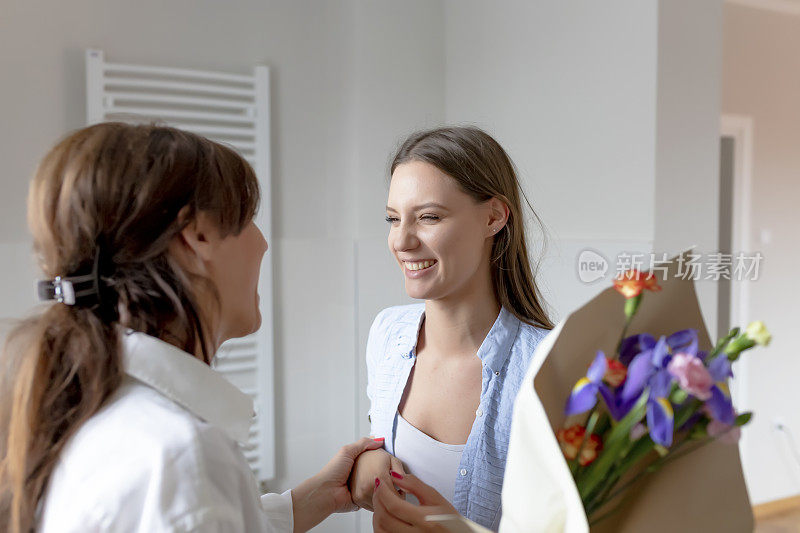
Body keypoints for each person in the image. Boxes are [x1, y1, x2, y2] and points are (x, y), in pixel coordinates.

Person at [0, 123, 383, 533]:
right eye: (249, 219)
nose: (263, 244)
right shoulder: (181, 457)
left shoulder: (91, 405)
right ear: (197, 236)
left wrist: (308, 501)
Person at [349, 126, 554, 531]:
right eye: (393, 219)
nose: (401, 241)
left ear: (494, 217)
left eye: (428, 217)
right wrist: (366, 464)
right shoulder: (387, 333)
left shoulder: (548, 364)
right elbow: (378, 443)